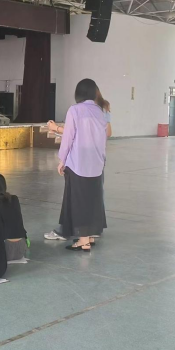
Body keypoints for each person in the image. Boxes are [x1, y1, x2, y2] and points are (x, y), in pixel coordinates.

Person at [44, 94, 111, 241]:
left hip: (78, 162)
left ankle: (67, 231)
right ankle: (93, 229)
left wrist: (56, 129)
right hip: (96, 161)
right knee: (94, 197)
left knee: (73, 198)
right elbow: (107, 133)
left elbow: (72, 133)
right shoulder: (102, 109)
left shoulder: (78, 109)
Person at [56, 79, 108, 251]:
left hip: (78, 163)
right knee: (93, 200)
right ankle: (91, 236)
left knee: (79, 201)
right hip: (97, 163)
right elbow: (103, 138)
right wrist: (102, 160)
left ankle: (83, 241)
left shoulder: (75, 110)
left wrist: (62, 160)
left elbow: (68, 137)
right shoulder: (100, 112)